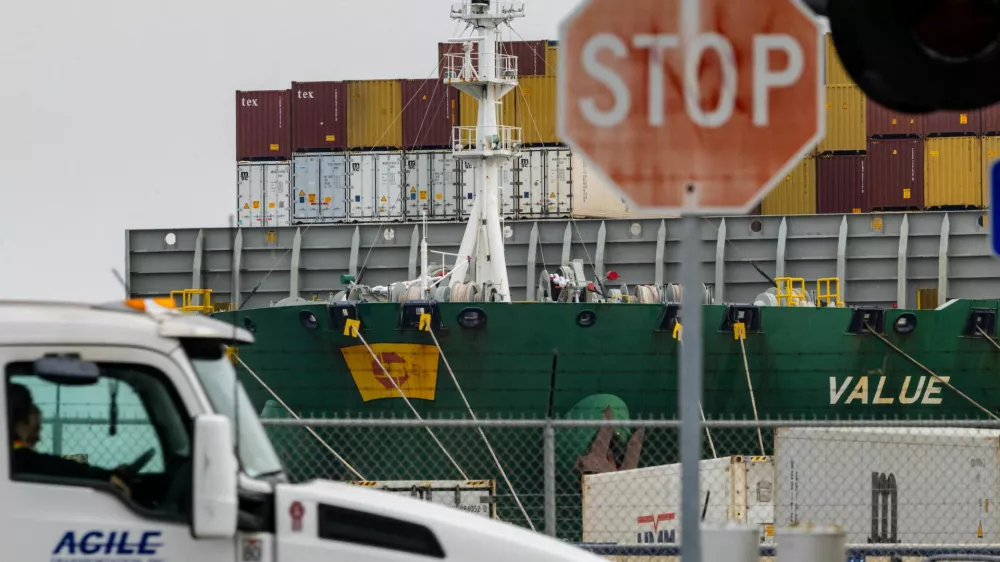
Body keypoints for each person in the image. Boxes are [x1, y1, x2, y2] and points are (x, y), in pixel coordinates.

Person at [8, 382, 132, 497]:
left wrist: (106, 473)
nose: (38, 438)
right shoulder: (14, 454)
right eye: (36, 429)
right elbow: (40, 463)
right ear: (23, 416)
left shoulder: (12, 451)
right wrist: (102, 476)